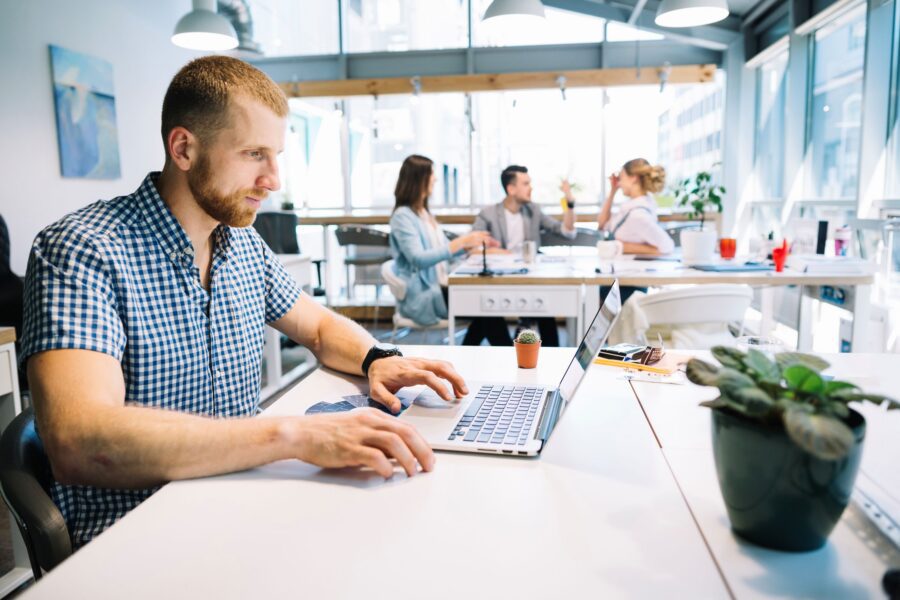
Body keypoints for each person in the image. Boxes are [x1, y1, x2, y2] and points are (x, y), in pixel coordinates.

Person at [21, 57, 469, 549]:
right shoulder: (82, 250)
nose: (273, 179)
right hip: (136, 536)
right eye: (255, 154)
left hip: (241, 504)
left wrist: (377, 359)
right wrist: (295, 435)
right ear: (184, 148)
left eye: (275, 155)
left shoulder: (241, 245)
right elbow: (79, 441)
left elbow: (318, 327)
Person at [388, 155, 509, 344]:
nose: (435, 179)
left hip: (441, 287)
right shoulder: (402, 217)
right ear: (418, 179)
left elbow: (446, 251)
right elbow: (418, 259)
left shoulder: (424, 214)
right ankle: (509, 359)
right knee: (487, 310)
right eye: (432, 174)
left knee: (487, 310)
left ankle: (474, 357)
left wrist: (471, 244)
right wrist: (460, 243)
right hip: (425, 295)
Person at [470, 165, 577, 346]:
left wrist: (570, 202)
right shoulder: (488, 214)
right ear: (511, 189)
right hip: (500, 282)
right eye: (526, 183)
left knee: (546, 312)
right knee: (487, 317)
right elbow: (472, 248)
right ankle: (504, 351)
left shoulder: (533, 210)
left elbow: (568, 232)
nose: (531, 188)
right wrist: (505, 253)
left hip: (531, 279)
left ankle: (553, 359)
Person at [595, 158, 675, 256]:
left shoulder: (638, 215)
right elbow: (602, 224)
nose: (619, 183)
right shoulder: (630, 208)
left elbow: (667, 247)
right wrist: (613, 191)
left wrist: (621, 247)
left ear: (633, 178)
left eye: (622, 177)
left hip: (631, 269)